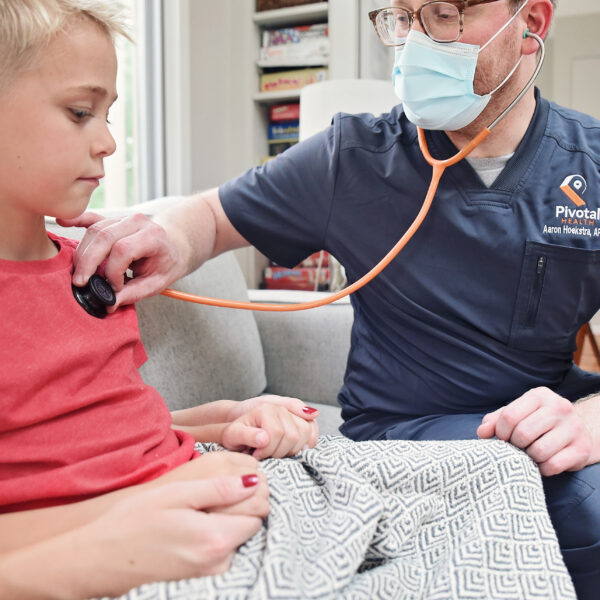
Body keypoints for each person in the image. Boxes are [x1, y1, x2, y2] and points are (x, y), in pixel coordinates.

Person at [63, 0, 600, 597]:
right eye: (403, 17)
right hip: (405, 433)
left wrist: (586, 420)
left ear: (532, 25)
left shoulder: (591, 164)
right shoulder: (354, 158)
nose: (417, 43)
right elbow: (212, 217)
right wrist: (164, 238)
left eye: (445, 14)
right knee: (587, 508)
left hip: (546, 418)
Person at [0, 1, 319, 597]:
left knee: (494, 471)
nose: (109, 143)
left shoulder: (91, 269)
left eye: (108, 114)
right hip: (148, 549)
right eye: (79, 112)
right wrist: (106, 532)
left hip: (206, 498)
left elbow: (83, 435)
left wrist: (223, 421)